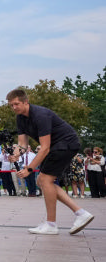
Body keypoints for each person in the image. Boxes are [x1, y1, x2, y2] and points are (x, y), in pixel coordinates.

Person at [8, 89, 94, 235]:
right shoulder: (20, 118)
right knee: (41, 182)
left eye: (16, 104)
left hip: (66, 143)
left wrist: (29, 169)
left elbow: (45, 147)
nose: (14, 107)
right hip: (56, 146)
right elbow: (22, 143)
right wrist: (17, 154)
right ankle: (80, 213)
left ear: (25, 102)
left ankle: (52, 224)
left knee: (45, 180)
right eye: (11, 105)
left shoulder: (40, 115)